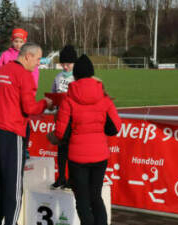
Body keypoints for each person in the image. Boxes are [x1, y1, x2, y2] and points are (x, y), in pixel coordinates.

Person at [47, 54, 121, 225]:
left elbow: (60, 133)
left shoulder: (69, 99)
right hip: (100, 156)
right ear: (92, 73)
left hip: (77, 158)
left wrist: (50, 137)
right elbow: (115, 128)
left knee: (82, 201)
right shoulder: (104, 98)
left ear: (76, 75)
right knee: (96, 198)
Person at [0, 43, 53, 225]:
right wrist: (45, 103)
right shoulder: (24, 75)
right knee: (13, 184)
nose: (38, 64)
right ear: (28, 56)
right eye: (38, 59)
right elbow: (29, 107)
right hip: (10, 132)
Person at [0, 28, 40, 159]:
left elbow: (34, 73)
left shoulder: (28, 55)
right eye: (16, 41)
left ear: (25, 41)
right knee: (8, 123)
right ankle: (9, 148)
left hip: (24, 94)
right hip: (8, 96)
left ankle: (24, 147)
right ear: (12, 41)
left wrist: (32, 90)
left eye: (20, 41)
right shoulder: (6, 55)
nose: (18, 44)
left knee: (24, 121)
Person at [50, 45, 77, 190]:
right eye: (63, 64)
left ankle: (72, 179)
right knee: (61, 150)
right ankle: (61, 177)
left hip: (74, 119)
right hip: (60, 118)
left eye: (69, 64)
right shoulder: (58, 77)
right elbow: (53, 94)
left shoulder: (77, 77)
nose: (66, 67)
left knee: (73, 150)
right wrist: (53, 102)